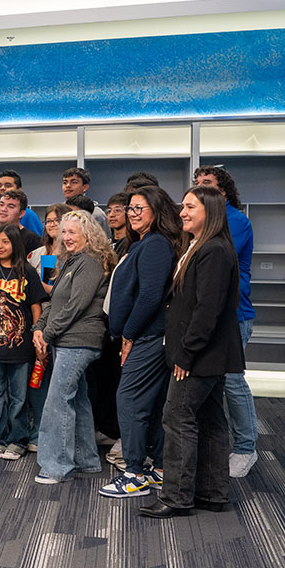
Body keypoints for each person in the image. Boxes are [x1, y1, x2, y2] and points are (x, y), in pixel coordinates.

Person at [140, 186, 245, 519]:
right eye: (182, 206)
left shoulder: (213, 250)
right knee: (210, 421)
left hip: (199, 356)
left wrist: (185, 354)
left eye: (190, 207)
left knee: (177, 418)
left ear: (209, 211)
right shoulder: (202, 245)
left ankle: (176, 497)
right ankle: (212, 493)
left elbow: (207, 310)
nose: (182, 212)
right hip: (207, 354)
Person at [100, 186, 181, 499]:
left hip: (148, 336)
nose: (132, 214)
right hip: (147, 335)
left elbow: (149, 296)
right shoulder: (143, 243)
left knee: (130, 400)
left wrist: (129, 334)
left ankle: (134, 473)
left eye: (139, 208)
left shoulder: (156, 244)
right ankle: (159, 468)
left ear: (156, 211)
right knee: (152, 402)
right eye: (129, 208)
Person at [32, 211, 116, 484]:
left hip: (79, 341)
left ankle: (56, 467)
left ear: (88, 236)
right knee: (77, 399)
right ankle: (86, 460)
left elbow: (75, 306)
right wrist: (38, 328)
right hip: (65, 340)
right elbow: (55, 302)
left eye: (72, 232)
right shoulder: (70, 262)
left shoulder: (89, 262)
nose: (66, 237)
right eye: (64, 232)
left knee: (57, 402)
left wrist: (47, 334)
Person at [194, 166, 258, 478]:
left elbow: (217, 260)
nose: (200, 188)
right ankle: (214, 446)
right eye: (197, 183)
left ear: (224, 191)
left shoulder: (235, 221)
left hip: (235, 314)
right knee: (210, 383)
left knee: (232, 381)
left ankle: (246, 448)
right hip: (208, 314)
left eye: (207, 183)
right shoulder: (201, 220)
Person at [0, 225, 47, 460]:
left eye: (5, 242)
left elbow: (36, 308)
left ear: (15, 244)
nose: (0, 246)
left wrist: (37, 338)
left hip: (20, 347)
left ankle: (18, 440)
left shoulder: (27, 273)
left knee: (19, 398)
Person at [0, 170, 45, 235]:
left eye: (8, 186)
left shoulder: (28, 215)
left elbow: (37, 239)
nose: (2, 188)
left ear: (19, 190)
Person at [62, 168, 111, 237]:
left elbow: (104, 241)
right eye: (65, 182)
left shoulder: (97, 214)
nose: (68, 185)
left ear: (84, 187)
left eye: (74, 182)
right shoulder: (58, 211)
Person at [27, 204, 71, 277]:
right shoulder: (35, 254)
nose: (52, 224)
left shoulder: (74, 254)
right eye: (48, 221)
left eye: (57, 220)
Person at [106, 192, 132, 258]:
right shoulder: (107, 243)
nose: (111, 215)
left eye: (117, 210)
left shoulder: (131, 245)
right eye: (109, 211)